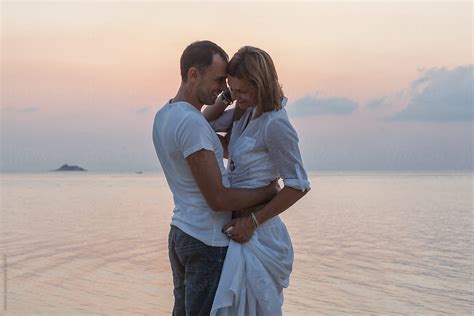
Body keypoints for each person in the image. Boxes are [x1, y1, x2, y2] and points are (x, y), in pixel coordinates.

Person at [152, 41, 280, 316]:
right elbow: (218, 199)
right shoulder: (191, 124)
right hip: (206, 241)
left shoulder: (164, 115)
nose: (224, 88)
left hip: (182, 232)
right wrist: (268, 193)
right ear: (193, 74)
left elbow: (205, 127)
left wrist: (224, 100)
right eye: (219, 80)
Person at [203, 46, 311, 315]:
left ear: (260, 85)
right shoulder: (243, 111)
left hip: (258, 233)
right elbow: (204, 123)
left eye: (241, 91)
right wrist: (227, 98)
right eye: (231, 89)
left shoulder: (276, 124)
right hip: (236, 229)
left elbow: (298, 185)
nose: (236, 97)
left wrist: (252, 222)